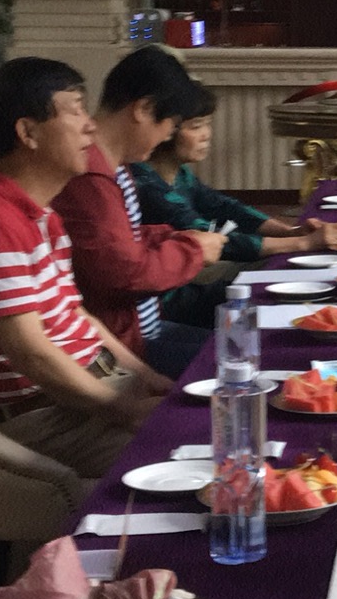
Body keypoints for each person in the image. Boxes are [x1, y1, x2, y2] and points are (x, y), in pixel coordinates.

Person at [0, 57, 175, 479]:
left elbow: (77, 316)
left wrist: (145, 376)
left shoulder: (42, 214)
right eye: (75, 110)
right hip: (46, 415)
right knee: (195, 450)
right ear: (28, 133)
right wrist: (124, 410)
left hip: (90, 391)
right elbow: (31, 352)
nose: (90, 126)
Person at [52, 46, 225, 379]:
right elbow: (123, 273)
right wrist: (192, 251)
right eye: (170, 125)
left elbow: (121, 240)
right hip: (126, 345)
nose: (167, 136)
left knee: (248, 348)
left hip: (143, 327)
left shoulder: (115, 167)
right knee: (243, 364)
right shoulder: (90, 177)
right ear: (143, 109)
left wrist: (173, 236)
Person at [131, 81, 337, 325]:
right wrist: (303, 242)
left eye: (207, 124)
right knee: (282, 278)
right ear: (167, 129)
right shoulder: (145, 183)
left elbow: (225, 207)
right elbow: (204, 234)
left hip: (197, 270)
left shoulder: (178, 173)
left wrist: (290, 232)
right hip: (174, 293)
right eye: (196, 126)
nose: (206, 135)